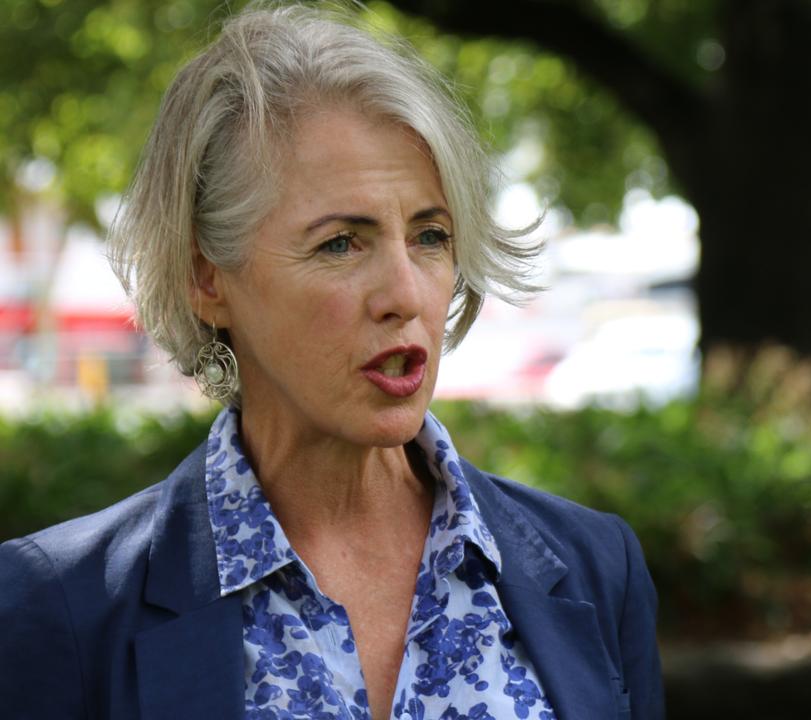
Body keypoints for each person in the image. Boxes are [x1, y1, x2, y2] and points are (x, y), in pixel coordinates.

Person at [0, 3, 664, 719]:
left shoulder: (597, 568)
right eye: (341, 243)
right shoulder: (53, 607)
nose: (404, 294)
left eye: (431, 235)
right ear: (207, 278)